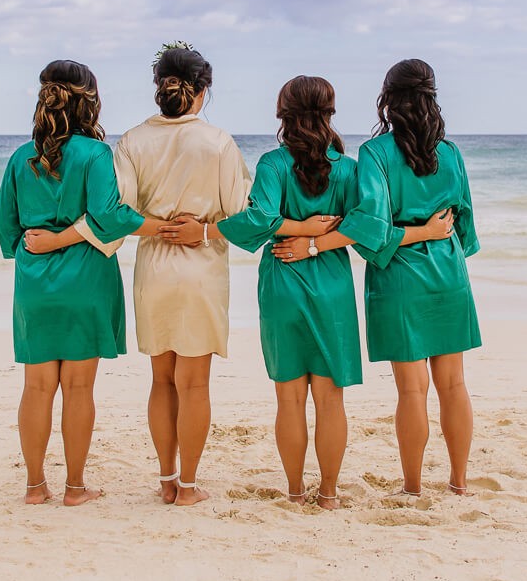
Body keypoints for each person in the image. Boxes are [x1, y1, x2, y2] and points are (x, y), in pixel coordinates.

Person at [273, 59, 477, 497]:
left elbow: (371, 228)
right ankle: (459, 482)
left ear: (388, 100)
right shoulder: (453, 154)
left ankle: (413, 485)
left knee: (412, 390)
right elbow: (466, 228)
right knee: (455, 383)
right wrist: (441, 243)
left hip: (401, 277)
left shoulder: (376, 153)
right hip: (450, 273)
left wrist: (313, 245)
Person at [0, 60, 174, 507]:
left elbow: (5, 228)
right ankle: (75, 487)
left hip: (35, 282)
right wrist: (160, 227)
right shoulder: (95, 155)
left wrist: (37, 250)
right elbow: (109, 216)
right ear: (90, 101)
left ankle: (35, 486)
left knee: (35, 387)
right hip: (86, 279)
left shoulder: (20, 158)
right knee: (78, 389)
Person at [217, 76, 361, 508]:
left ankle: (296, 492)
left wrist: (296, 231)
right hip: (332, 283)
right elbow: (362, 225)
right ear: (330, 112)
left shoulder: (273, 165)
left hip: (282, 277)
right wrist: (315, 236)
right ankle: (330, 494)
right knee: (330, 396)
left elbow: (258, 216)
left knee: (289, 396)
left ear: (283, 112)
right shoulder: (349, 169)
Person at [117, 43, 252, 506]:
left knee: (160, 380)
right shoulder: (218, 142)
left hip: (153, 269)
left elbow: (120, 215)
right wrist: (202, 230)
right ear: (202, 91)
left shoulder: (132, 140)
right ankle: (190, 487)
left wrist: (159, 227)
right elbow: (240, 215)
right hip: (201, 270)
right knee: (193, 384)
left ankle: (166, 480)